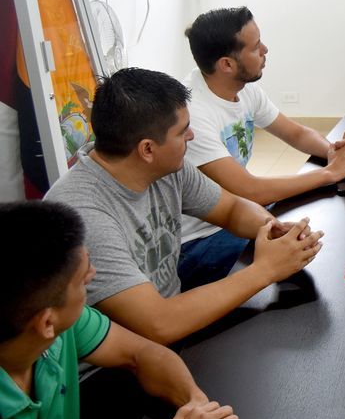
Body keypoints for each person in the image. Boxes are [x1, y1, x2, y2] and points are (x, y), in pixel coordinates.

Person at [44, 68, 322, 346]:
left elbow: (231, 209)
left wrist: (272, 229)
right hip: (125, 355)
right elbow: (158, 323)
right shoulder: (84, 216)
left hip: (167, 327)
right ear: (147, 149)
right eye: (182, 131)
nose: (191, 135)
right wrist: (265, 270)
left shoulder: (166, 168)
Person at [0, 201, 239, 419]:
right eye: (81, 280)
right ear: (47, 322)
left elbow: (142, 354)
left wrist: (194, 402)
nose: (93, 273)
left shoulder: (62, 325)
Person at [180, 7, 345, 289]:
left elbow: (296, 133)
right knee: (314, 256)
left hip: (239, 213)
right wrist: (330, 173)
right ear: (227, 64)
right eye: (256, 47)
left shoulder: (242, 87)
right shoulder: (193, 113)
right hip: (201, 240)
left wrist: (334, 151)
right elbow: (250, 190)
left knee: (316, 224)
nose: (265, 50)